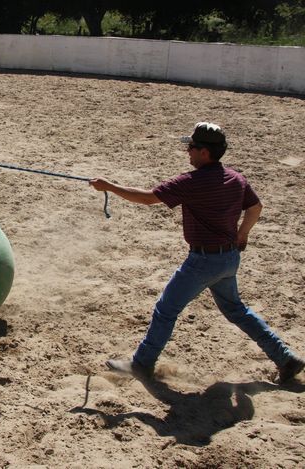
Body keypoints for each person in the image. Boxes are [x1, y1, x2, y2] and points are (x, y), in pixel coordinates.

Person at [89, 121, 304, 384]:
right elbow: (256, 208)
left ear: (204, 152)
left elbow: (147, 198)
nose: (187, 152)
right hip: (228, 259)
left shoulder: (192, 182)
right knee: (237, 311)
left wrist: (109, 186)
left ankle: (142, 364)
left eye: (191, 147)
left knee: (166, 309)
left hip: (203, 261)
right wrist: (242, 234)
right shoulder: (236, 179)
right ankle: (284, 358)